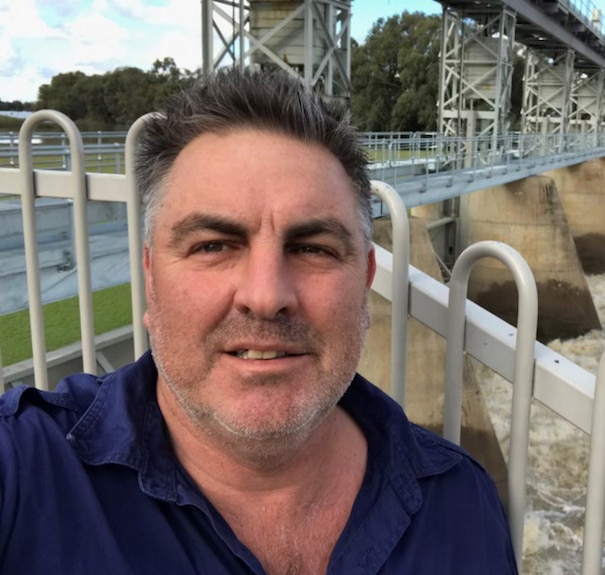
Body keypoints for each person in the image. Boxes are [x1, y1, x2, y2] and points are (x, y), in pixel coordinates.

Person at [0, 68, 517, 574]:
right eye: (214, 246)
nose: (266, 296)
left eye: (312, 247)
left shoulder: (460, 507)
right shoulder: (24, 471)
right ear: (152, 277)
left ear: (364, 280)